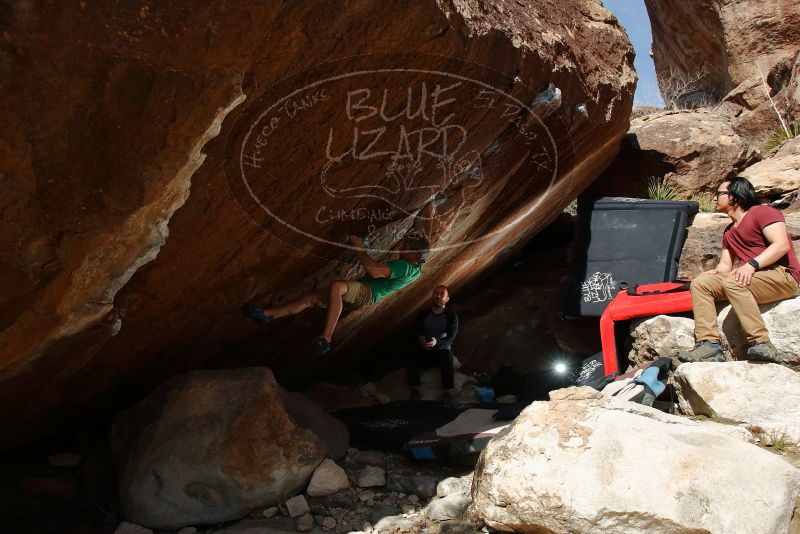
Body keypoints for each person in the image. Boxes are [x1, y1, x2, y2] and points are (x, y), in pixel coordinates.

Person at [242, 203, 436, 356]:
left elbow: (375, 271)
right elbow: (428, 242)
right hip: (364, 295)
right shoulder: (418, 266)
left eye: (406, 247)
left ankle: (325, 339)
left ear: (414, 254)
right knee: (310, 299)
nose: (402, 249)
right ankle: (266, 315)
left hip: (367, 293)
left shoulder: (404, 266)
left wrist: (359, 247)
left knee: (337, 286)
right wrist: (430, 215)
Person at [678, 176, 800, 363]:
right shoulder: (729, 231)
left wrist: (751, 265)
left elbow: (781, 245)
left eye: (719, 194)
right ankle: (709, 345)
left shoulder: (762, 212)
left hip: (783, 276)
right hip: (753, 279)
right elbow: (726, 266)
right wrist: (715, 273)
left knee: (733, 280)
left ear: (734, 196)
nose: (714, 199)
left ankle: (761, 342)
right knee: (701, 284)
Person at [408, 285, 458, 401]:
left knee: (447, 357)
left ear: (447, 298)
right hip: (425, 348)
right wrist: (421, 339)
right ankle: (414, 389)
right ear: (432, 296)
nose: (438, 296)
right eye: (436, 293)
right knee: (412, 352)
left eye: (442, 294)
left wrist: (437, 342)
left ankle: (446, 392)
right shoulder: (423, 314)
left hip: (442, 349)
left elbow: (451, 339)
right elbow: (416, 331)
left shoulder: (451, 316)